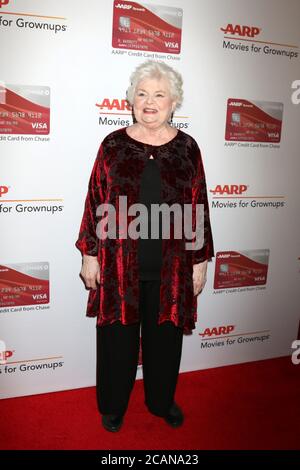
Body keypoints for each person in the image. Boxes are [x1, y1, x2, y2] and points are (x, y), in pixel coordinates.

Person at [75, 60, 214, 432]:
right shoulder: (113, 145)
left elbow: (198, 206)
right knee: (117, 339)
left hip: (171, 267)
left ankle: (161, 400)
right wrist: (89, 253)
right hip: (120, 263)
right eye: (141, 93)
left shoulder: (187, 148)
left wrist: (200, 261)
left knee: (165, 340)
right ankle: (113, 404)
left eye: (159, 94)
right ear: (131, 99)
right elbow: (96, 199)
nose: (149, 101)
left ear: (174, 103)